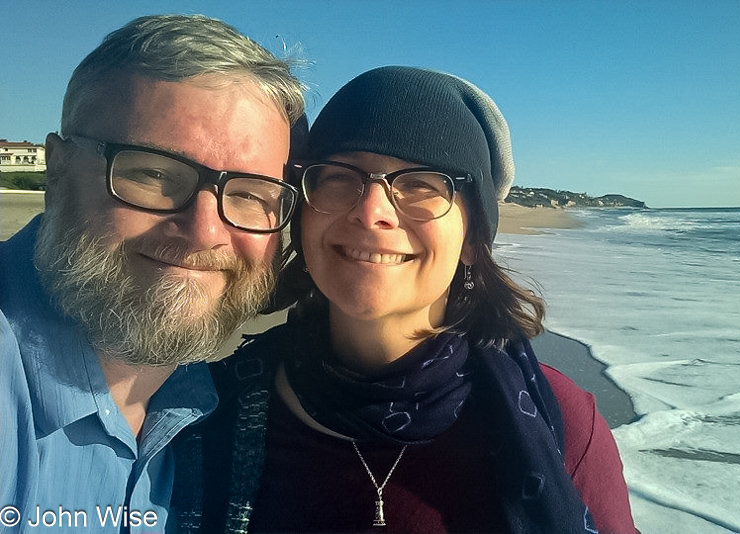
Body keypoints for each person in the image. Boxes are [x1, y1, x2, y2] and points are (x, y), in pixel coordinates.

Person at [174, 66, 638, 533]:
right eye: (339, 176)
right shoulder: (195, 410)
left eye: (421, 183)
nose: (372, 211)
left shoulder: (562, 422)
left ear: (474, 237)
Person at [0, 14, 304, 532]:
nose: (205, 231)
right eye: (155, 174)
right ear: (57, 169)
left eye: (251, 194)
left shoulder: (223, 406)